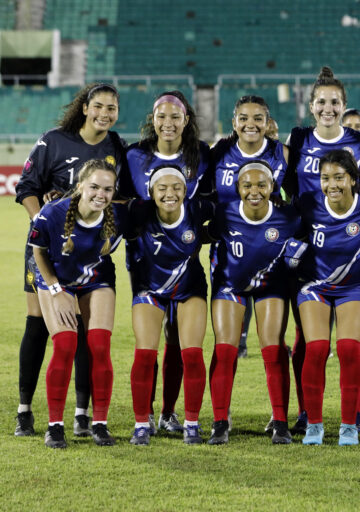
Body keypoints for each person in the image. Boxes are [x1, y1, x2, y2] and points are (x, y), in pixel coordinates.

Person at [13, 83, 124, 438]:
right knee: (38, 326)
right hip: (48, 248)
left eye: (112, 108)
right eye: (99, 107)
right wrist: (46, 222)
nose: (105, 114)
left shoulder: (115, 146)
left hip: (92, 250)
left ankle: (81, 413)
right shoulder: (54, 140)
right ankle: (25, 410)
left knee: (88, 333)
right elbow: (26, 188)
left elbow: (119, 197)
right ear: (85, 108)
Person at [283, 66, 360, 434]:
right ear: (311, 105)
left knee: (356, 341)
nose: (328, 108)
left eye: (335, 102)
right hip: (308, 252)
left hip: (350, 251)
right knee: (307, 340)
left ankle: (356, 411)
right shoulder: (300, 138)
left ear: (344, 105)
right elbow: (287, 188)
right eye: (321, 101)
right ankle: (307, 411)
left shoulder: (359, 142)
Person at [121, 90, 211, 435]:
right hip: (145, 260)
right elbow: (119, 201)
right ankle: (142, 417)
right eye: (162, 116)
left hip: (185, 259)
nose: (168, 123)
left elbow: (216, 204)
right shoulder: (134, 156)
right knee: (150, 341)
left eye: (176, 116)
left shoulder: (202, 155)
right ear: (153, 119)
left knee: (180, 342)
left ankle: (171, 413)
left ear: (186, 120)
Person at [28, 159, 125, 448]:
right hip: (56, 279)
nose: (101, 194)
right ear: (80, 186)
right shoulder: (53, 214)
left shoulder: (119, 217)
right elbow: (38, 252)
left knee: (99, 345)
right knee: (66, 344)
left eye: (108, 189)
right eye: (94, 186)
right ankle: (55, 426)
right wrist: (56, 290)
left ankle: (99, 424)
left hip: (97, 280)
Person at [288, 149, 360, 446]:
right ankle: (314, 425)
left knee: (348, 348)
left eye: (339, 178)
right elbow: (284, 231)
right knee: (315, 348)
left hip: (354, 287)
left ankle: (348, 426)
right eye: (326, 178)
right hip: (315, 286)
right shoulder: (308, 205)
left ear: (353, 180)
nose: (332, 185)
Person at [206, 161, 301, 445]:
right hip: (230, 286)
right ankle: (220, 421)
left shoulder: (289, 217)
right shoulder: (224, 214)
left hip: (271, 286)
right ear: (238, 188)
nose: (254, 191)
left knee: (273, 346)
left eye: (261, 184)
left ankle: (280, 422)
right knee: (225, 348)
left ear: (273, 187)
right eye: (247, 185)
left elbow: (309, 239)